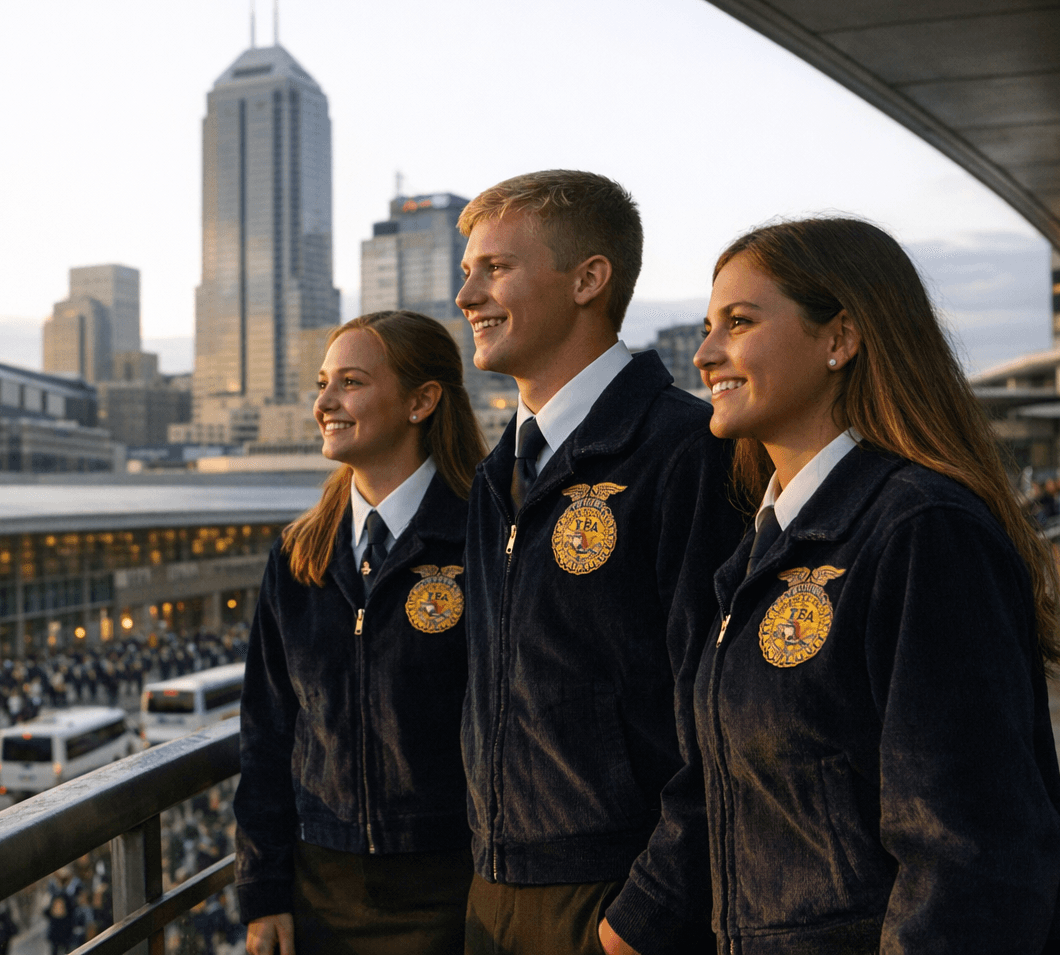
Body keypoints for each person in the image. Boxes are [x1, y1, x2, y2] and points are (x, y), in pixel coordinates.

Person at [603, 217, 1060, 955]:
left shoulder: (921, 530)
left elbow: (971, 848)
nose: (704, 354)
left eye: (740, 322)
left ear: (840, 338)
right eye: (707, 327)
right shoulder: (763, 547)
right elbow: (728, 786)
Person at [450, 171, 742, 954]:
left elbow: (722, 714)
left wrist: (647, 911)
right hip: (494, 891)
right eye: (467, 270)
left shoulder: (687, 453)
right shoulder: (494, 478)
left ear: (588, 279)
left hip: (619, 900)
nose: (465, 295)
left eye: (495, 268)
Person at [235, 310, 489, 955]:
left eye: (350, 382)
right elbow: (267, 732)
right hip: (322, 888)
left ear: (421, 400)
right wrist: (263, 891)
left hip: (458, 886)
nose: (324, 403)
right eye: (323, 383)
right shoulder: (299, 556)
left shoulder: (485, 537)